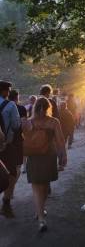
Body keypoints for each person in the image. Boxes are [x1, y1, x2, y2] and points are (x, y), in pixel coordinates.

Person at [23, 97, 67, 232]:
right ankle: (41, 213)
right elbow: (60, 140)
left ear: (34, 107)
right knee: (45, 186)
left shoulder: (28, 122)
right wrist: (63, 156)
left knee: (37, 188)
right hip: (49, 157)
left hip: (33, 158)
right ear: (49, 107)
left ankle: (40, 215)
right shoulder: (53, 122)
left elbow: (23, 142)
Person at [0, 80, 21, 217]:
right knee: (12, 172)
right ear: (5, 91)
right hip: (5, 146)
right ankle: (6, 202)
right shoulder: (11, 105)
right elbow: (16, 125)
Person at [7, 90, 27, 188]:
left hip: (5, 141)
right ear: (17, 97)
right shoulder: (21, 108)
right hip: (18, 140)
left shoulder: (3, 107)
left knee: (7, 165)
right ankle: (11, 188)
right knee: (18, 165)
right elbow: (22, 125)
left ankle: (8, 188)